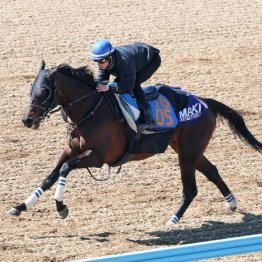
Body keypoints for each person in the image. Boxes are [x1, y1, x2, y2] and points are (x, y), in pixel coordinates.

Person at [91, 39, 161, 130]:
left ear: (110, 57)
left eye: (101, 61)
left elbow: (127, 87)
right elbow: (102, 79)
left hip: (151, 60)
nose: (99, 65)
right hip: (135, 59)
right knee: (118, 82)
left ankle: (148, 118)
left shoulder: (125, 62)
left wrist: (108, 88)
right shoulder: (105, 61)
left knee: (135, 85)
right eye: (97, 61)